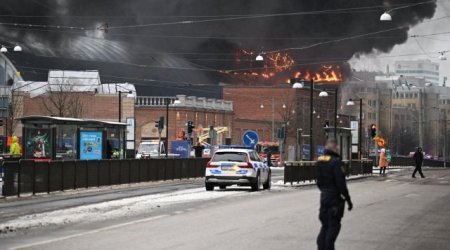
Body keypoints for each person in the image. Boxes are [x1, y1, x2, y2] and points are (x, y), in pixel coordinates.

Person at [315, 138, 353, 250]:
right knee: (332, 229)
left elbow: (319, 181)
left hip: (324, 199)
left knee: (325, 226)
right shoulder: (336, 162)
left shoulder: (320, 161)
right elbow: (341, 183)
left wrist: (325, 191)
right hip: (334, 201)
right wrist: (348, 199)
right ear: (335, 147)